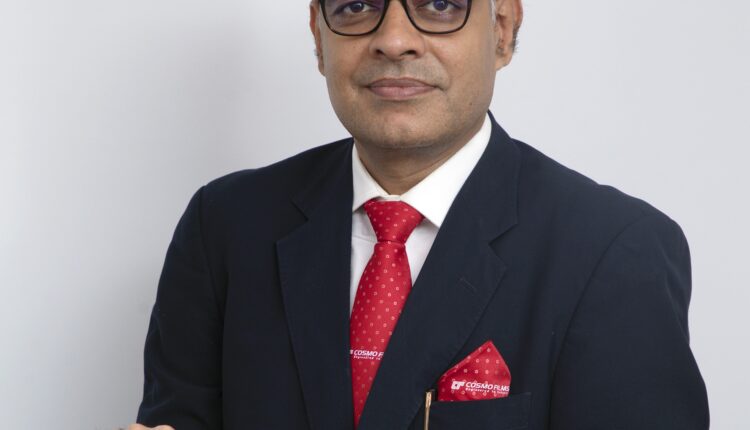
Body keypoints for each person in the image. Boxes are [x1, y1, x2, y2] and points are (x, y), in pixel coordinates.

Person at [129, 0, 709, 429]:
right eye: (357, 6)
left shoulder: (614, 252)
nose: (394, 40)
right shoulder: (225, 226)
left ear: (503, 30)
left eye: (439, 5)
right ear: (318, 37)